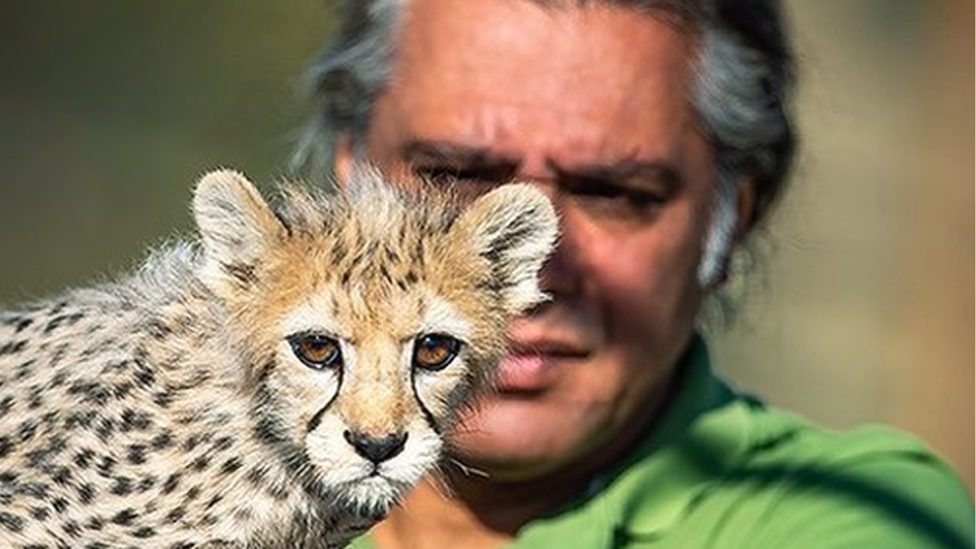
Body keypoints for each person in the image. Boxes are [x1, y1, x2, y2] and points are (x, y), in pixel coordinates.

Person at [295, 0, 976, 547]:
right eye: (457, 178)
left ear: (727, 223)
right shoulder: (199, 471)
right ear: (349, 173)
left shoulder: (847, 515)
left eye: (612, 193)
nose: (531, 273)